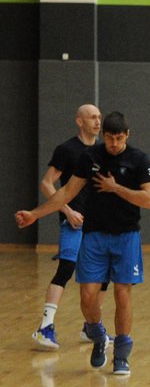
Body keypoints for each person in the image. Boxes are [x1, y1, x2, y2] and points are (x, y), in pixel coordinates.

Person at [16, 111, 150, 375]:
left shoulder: (139, 160)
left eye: (118, 138)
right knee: (87, 296)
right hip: (94, 235)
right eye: (109, 138)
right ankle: (97, 334)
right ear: (103, 136)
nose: (114, 143)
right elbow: (66, 192)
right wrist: (35, 214)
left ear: (127, 135)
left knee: (122, 294)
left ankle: (122, 355)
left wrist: (116, 188)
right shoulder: (90, 157)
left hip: (127, 236)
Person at [31, 104, 102, 350]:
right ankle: (45, 328)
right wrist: (67, 210)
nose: (97, 121)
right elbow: (47, 183)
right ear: (79, 121)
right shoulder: (67, 149)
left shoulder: (103, 152)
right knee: (66, 269)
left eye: (99, 117)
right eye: (92, 117)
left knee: (99, 277)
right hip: (73, 220)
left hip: (98, 224)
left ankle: (91, 327)